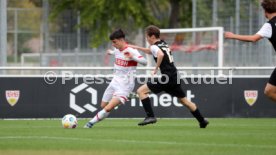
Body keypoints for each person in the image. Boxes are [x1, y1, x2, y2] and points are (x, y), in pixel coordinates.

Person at [128, 25, 209, 128]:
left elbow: (160, 55)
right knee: (184, 101)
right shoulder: (163, 43)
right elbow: (150, 51)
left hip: (167, 77)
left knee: (141, 91)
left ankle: (150, 116)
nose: (147, 39)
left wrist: (156, 68)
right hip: (175, 76)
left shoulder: (154, 46)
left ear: (152, 36)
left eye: (147, 37)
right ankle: (202, 120)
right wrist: (135, 47)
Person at [84, 29, 147, 128]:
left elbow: (144, 61)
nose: (113, 44)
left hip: (126, 84)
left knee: (108, 108)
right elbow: (117, 52)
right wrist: (111, 52)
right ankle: (128, 97)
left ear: (121, 40)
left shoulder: (131, 50)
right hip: (115, 81)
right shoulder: (117, 50)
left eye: (114, 42)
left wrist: (133, 57)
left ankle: (89, 123)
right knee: (103, 106)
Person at [225, 0, 276, 102]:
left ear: (265, 11)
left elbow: (253, 38)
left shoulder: (269, 25)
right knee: (269, 90)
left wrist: (232, 35)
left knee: (269, 91)